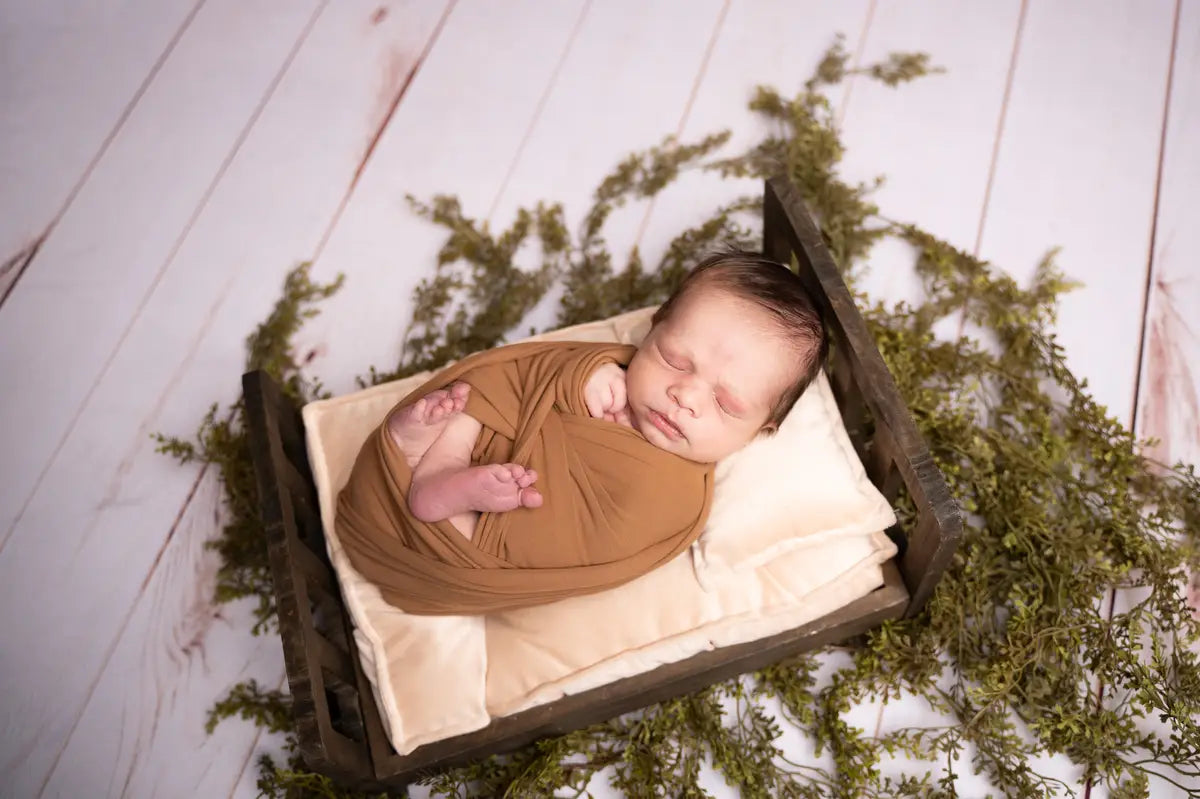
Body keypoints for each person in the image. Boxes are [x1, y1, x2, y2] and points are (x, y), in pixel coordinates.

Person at [386, 250, 828, 542]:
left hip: (507, 524)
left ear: (760, 430)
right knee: (479, 398)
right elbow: (530, 372)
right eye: (674, 359)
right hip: (494, 447)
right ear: (652, 327)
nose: (685, 395)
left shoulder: (678, 498)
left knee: (528, 520)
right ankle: (435, 462)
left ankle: (452, 506)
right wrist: (581, 377)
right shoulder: (612, 374)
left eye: (725, 404)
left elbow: (603, 540)